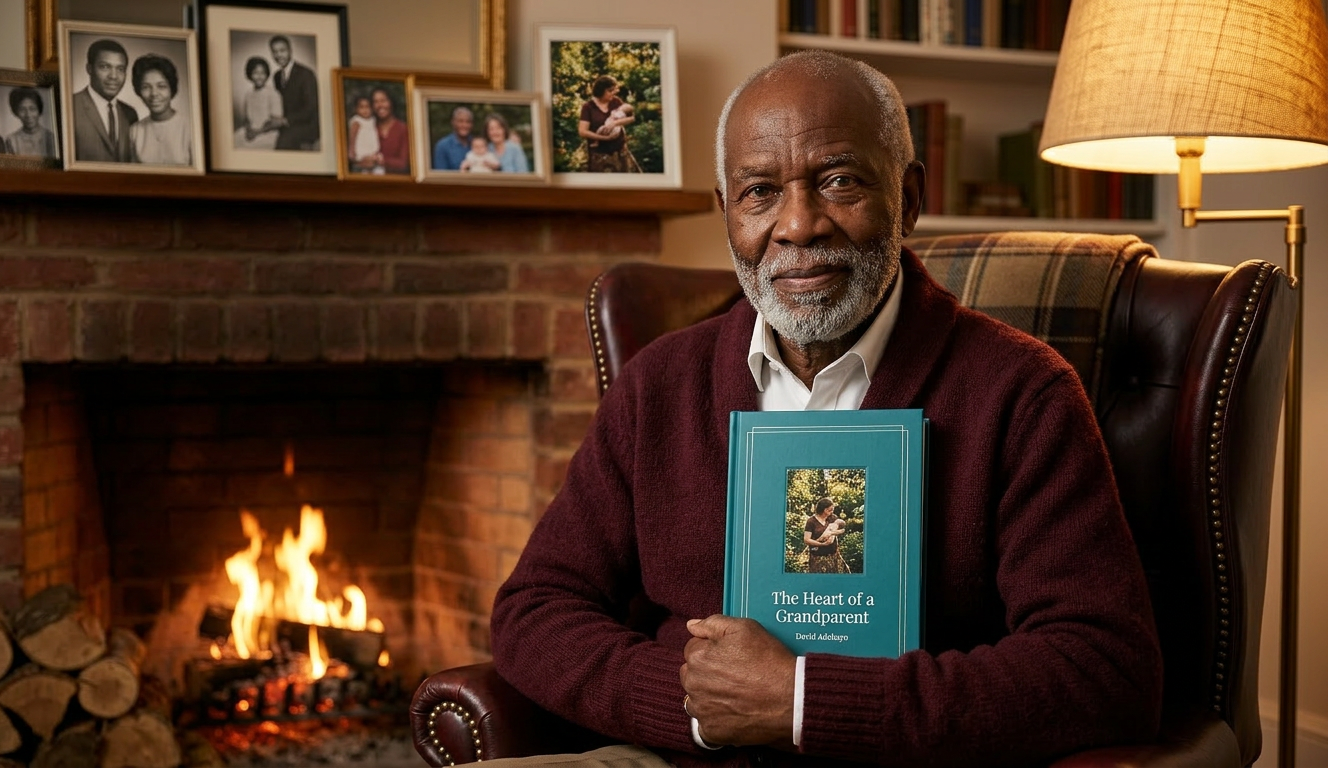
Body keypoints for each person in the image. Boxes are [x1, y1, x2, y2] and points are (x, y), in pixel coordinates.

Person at [488, 50, 1161, 767]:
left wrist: (804, 703)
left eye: (839, 181)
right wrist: (700, 702)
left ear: (908, 198)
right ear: (726, 213)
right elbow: (534, 612)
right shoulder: (660, 385)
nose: (799, 225)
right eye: (759, 192)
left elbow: (1103, 669)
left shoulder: (1022, 393)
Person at [72, 38, 137, 162]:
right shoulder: (70, 106)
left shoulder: (130, 114)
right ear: (89, 69)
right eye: (105, 67)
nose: (113, 76)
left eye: (120, 69)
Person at [128, 53, 191, 166]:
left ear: (172, 89)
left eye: (161, 86)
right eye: (146, 87)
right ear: (139, 91)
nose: (154, 94)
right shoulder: (135, 131)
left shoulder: (191, 127)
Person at [269, 35, 319, 151]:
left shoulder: (306, 74)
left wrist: (285, 121)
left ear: (290, 50)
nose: (279, 55)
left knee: (284, 140)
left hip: (307, 124)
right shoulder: (276, 76)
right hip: (287, 123)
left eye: (282, 50)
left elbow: (311, 108)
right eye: (275, 52)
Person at [579, 75, 637, 173]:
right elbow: (582, 131)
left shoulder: (615, 101)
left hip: (620, 151)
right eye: (610, 91)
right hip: (600, 155)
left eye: (614, 90)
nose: (613, 93)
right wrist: (604, 138)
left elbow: (631, 118)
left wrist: (615, 123)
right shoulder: (588, 107)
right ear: (600, 91)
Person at [234, 56, 283, 150]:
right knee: (235, 140)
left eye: (262, 73)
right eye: (255, 73)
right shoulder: (248, 94)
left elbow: (276, 122)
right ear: (250, 74)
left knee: (247, 149)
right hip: (250, 131)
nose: (259, 76)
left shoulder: (273, 93)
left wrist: (257, 132)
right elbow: (247, 119)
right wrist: (248, 130)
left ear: (267, 74)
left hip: (267, 133)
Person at [359, 87, 408, 175]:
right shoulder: (368, 127)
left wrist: (382, 161)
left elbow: (403, 163)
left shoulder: (403, 128)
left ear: (391, 103)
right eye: (376, 102)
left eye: (383, 100)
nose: (380, 105)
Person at [4, 87, 56, 158]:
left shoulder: (50, 137)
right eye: (22, 110)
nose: (28, 115)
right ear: (16, 112)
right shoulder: (11, 140)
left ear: (39, 110)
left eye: (32, 109)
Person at [802, 498, 848, 574]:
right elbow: (806, 540)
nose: (832, 511)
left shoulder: (832, 518)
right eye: (830, 509)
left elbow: (842, 530)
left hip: (833, 556)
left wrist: (832, 533)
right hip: (818, 557)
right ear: (824, 509)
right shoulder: (811, 521)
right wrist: (822, 544)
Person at [432, 106, 474, 170]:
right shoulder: (443, 146)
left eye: (468, 122)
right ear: (453, 122)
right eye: (460, 121)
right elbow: (441, 176)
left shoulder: (478, 143)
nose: (464, 125)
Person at [347, 95, 380, 173]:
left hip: (371, 149)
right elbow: (352, 136)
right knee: (363, 168)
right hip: (361, 148)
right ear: (356, 109)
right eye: (361, 107)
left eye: (367, 107)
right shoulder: (357, 121)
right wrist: (351, 150)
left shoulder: (373, 119)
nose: (365, 110)